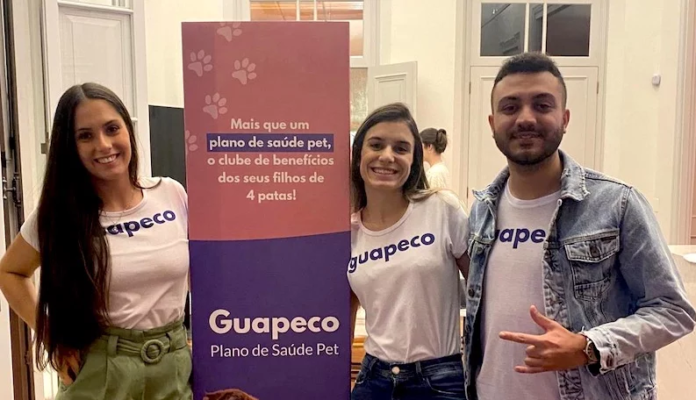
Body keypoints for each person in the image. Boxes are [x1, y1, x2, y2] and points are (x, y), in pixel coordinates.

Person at [463, 52, 696, 400]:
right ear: (492, 122)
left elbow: (674, 310)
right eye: (510, 107)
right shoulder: (481, 210)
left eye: (542, 105)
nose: (525, 118)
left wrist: (589, 346)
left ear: (565, 118)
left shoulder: (618, 204)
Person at [0, 83, 192, 399]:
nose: (103, 145)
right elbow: (10, 272)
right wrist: (50, 335)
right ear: (70, 146)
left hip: (173, 367)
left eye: (112, 128)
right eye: (85, 136)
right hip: (98, 368)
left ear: (128, 130)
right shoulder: (58, 214)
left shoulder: (171, 194)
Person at [348, 103, 469, 400]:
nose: (387, 156)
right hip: (373, 380)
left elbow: (483, 293)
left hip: (439, 380)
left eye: (401, 148)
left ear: (414, 159)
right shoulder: (348, 231)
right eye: (376, 145)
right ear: (359, 154)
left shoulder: (442, 209)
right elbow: (345, 317)